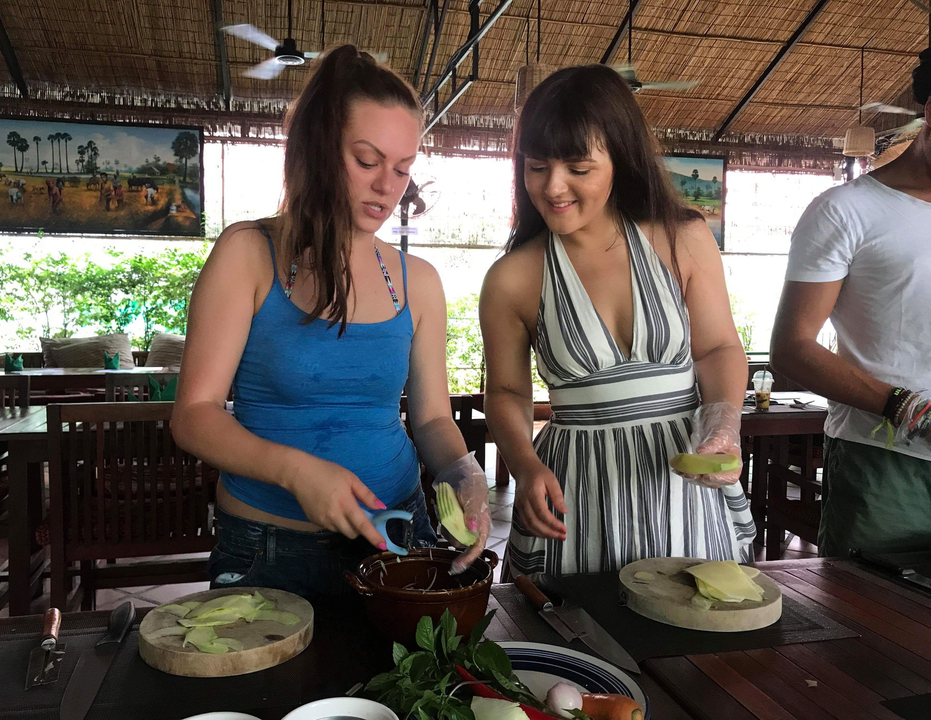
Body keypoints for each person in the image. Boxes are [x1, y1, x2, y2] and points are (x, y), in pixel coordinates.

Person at [171, 45, 491, 599]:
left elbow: (433, 417)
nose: (387, 186)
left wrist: (462, 472)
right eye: (367, 161)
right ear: (319, 151)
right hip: (270, 548)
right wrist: (297, 472)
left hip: (395, 537)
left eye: (403, 168)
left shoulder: (419, 280)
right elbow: (194, 416)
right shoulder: (249, 253)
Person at [480, 65, 754, 579]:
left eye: (578, 169)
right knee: (582, 640)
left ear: (619, 160)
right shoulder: (513, 278)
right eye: (537, 167)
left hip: (685, 485)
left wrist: (723, 424)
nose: (554, 186)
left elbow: (718, 348)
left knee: (696, 627)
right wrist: (525, 464)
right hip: (577, 492)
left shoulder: (683, 239)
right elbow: (507, 393)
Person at [770, 48, 931, 557]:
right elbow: (792, 348)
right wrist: (913, 410)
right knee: (877, 625)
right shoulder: (847, 211)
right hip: (884, 463)